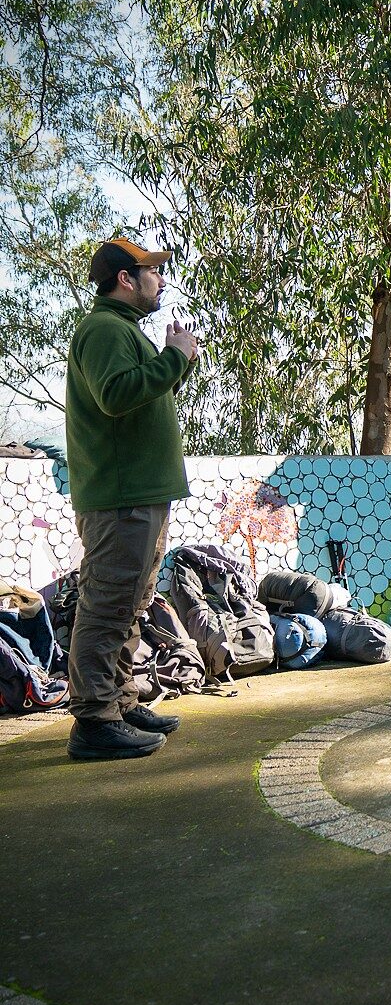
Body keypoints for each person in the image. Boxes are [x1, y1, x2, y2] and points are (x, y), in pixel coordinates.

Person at [63, 237, 198, 761]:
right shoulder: (102, 330)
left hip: (141, 493)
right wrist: (174, 356)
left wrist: (175, 362)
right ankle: (94, 721)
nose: (160, 280)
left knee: (131, 603)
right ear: (126, 278)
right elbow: (116, 396)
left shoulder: (121, 332)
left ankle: (116, 701)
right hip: (121, 497)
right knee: (108, 602)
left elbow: (142, 397)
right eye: (152, 272)